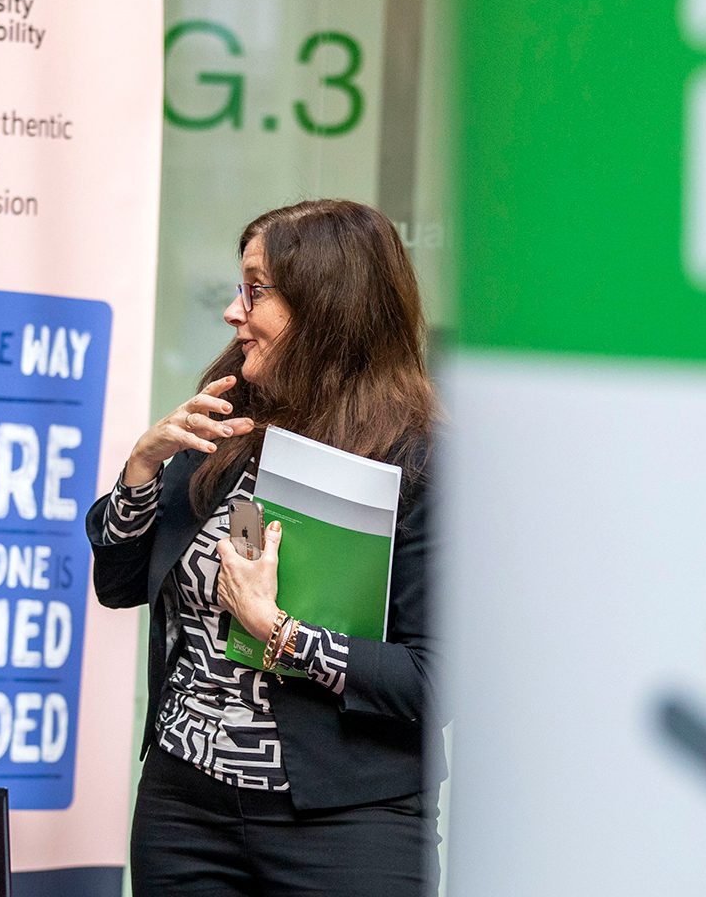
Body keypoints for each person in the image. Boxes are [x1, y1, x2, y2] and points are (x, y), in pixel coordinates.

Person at [87, 199, 443, 895]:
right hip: (184, 813)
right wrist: (139, 472)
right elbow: (120, 583)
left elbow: (433, 681)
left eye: (255, 290)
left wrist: (280, 635)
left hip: (345, 826)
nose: (232, 310)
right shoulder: (230, 415)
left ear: (325, 305)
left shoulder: (421, 462)